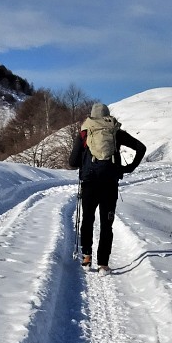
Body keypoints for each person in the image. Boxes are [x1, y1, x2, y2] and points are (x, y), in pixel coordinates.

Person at [68, 102, 147, 272]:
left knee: (88, 219)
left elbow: (72, 162)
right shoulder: (115, 132)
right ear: (107, 116)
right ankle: (103, 264)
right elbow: (141, 147)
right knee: (106, 223)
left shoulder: (84, 133)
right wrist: (128, 168)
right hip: (110, 184)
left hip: (89, 183)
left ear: (92, 116)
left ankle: (87, 258)